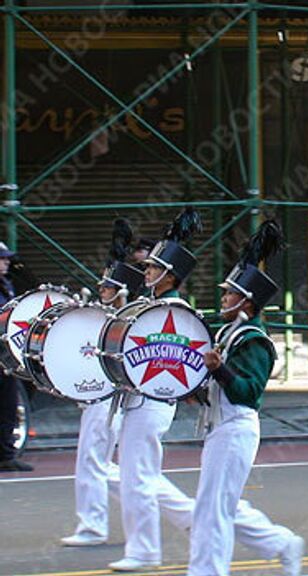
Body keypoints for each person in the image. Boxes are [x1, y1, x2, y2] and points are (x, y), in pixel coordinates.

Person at [188, 221, 304, 576]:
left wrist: (220, 370)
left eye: (229, 294)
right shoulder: (230, 331)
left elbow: (248, 391)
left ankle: (208, 571)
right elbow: (223, 386)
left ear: (246, 302)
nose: (222, 298)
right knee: (220, 504)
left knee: (213, 508)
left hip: (236, 428)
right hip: (221, 427)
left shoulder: (254, 339)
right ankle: (281, 543)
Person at [109, 209, 202, 572]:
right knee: (138, 472)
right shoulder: (150, 306)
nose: (145, 272)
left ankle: (145, 550)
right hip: (138, 399)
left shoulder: (175, 310)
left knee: (138, 475)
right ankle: (192, 518)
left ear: (169, 275)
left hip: (152, 399)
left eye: (151, 268)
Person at [60, 261, 145, 546]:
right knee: (100, 464)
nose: (100, 289)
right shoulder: (106, 318)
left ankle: (93, 526)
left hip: (108, 398)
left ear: (121, 292)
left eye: (107, 286)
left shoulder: (122, 322)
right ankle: (182, 511)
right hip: (98, 397)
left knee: (93, 460)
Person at [0, 242, 33, 472]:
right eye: (2, 259)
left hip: (5, 354)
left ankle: (5, 454)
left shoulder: (7, 284)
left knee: (8, 404)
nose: (6, 262)